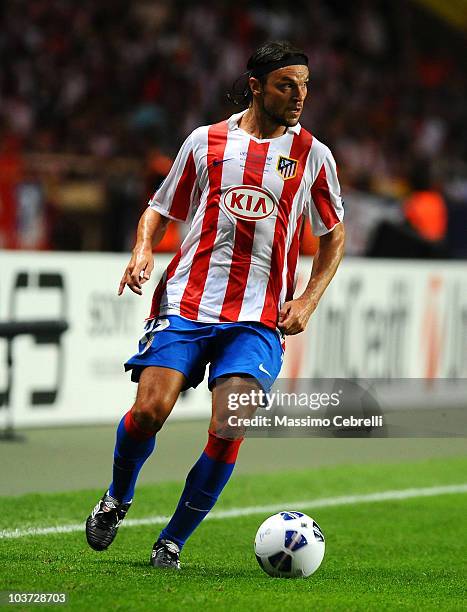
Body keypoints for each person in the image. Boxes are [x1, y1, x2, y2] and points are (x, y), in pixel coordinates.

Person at [85, 40, 345, 570]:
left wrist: (308, 300)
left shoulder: (313, 155)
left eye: (305, 86)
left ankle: (171, 541)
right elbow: (160, 208)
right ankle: (117, 498)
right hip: (187, 301)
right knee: (149, 412)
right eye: (286, 85)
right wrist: (141, 251)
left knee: (229, 424)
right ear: (255, 86)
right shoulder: (205, 142)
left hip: (258, 319)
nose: (299, 97)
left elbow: (334, 235)